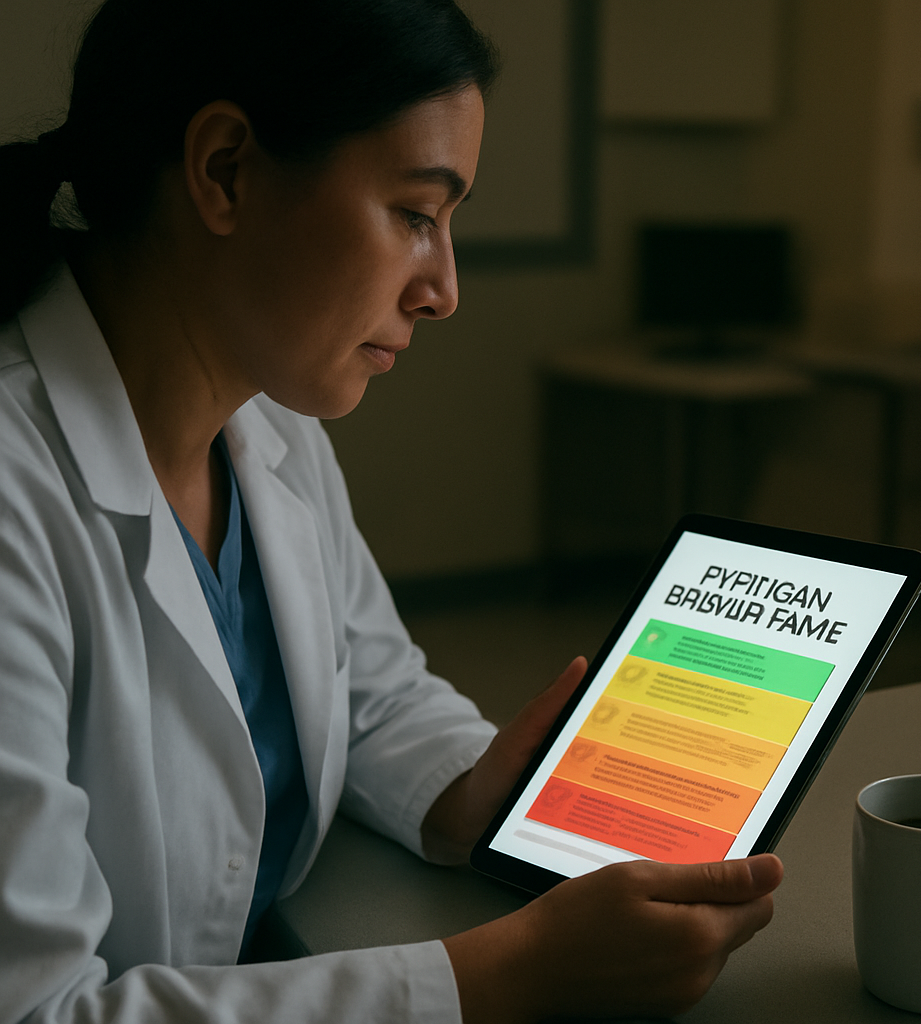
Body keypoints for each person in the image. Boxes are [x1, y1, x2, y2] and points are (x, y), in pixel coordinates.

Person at [0, 1, 784, 1021]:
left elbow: (368, 688)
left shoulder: (270, 436)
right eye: (417, 213)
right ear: (225, 169)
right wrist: (503, 976)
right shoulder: (17, 495)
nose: (443, 288)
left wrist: (476, 788)